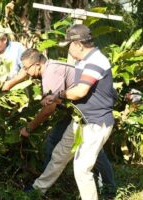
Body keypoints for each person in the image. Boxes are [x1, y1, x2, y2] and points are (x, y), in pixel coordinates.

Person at [19, 48, 116, 198]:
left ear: (37, 64)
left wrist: (29, 128)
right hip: (78, 118)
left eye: (26, 68)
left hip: (93, 119)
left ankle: (109, 189)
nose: (26, 72)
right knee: (60, 154)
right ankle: (38, 189)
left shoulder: (50, 73)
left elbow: (49, 109)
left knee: (84, 165)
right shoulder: (52, 68)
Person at [0, 24, 27, 92]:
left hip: (17, 90)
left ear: (4, 40)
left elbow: (25, 69)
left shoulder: (17, 48)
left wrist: (10, 83)